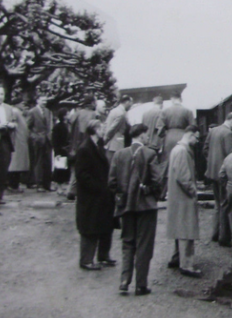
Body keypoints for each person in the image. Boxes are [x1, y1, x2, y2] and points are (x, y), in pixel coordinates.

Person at [109, 124, 162, 296]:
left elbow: (111, 183)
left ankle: (124, 281)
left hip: (125, 206)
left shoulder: (119, 154)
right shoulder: (150, 154)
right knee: (144, 245)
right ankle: (140, 285)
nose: (148, 137)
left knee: (127, 243)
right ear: (141, 136)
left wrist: (121, 195)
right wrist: (151, 193)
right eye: (147, 134)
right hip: (145, 206)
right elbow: (157, 181)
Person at [75, 120, 116, 271]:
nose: (104, 129)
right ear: (95, 129)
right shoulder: (85, 149)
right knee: (90, 228)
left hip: (101, 195)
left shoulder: (97, 146)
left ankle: (103, 256)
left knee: (104, 225)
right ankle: (86, 260)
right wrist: (99, 188)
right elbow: (82, 174)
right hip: (91, 196)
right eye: (102, 127)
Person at [166, 125, 203, 277]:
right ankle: (186, 265)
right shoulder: (182, 151)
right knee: (186, 230)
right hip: (183, 197)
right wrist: (193, 191)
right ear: (191, 135)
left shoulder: (177, 149)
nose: (198, 141)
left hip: (177, 196)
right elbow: (183, 177)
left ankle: (176, 257)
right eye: (197, 137)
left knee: (179, 228)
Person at [203, 112, 232, 245]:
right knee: (225, 205)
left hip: (212, 173)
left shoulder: (214, 131)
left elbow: (205, 149)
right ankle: (224, 238)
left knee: (218, 205)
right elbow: (231, 157)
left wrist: (212, 162)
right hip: (222, 175)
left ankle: (215, 234)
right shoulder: (228, 134)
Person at [66, 94, 99, 200]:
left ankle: (71, 189)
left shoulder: (77, 113)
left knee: (75, 168)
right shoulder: (94, 115)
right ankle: (76, 190)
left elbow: (70, 123)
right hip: (87, 144)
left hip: (76, 144)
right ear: (92, 103)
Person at [156, 92, 194, 163]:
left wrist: (164, 135)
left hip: (169, 138)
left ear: (172, 99)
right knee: (184, 160)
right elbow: (193, 127)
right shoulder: (188, 111)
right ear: (180, 99)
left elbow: (160, 128)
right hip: (183, 137)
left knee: (169, 160)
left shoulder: (165, 111)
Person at [27, 95, 54, 192]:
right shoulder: (32, 112)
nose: (44, 102)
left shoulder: (48, 112)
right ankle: (39, 184)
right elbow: (28, 127)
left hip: (47, 140)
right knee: (39, 162)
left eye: (46, 100)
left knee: (48, 162)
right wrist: (34, 136)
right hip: (37, 140)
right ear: (37, 100)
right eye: (42, 100)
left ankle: (47, 184)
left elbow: (50, 126)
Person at [7, 98, 30, 193]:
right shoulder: (15, 111)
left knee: (17, 164)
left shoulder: (19, 112)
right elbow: (11, 123)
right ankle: (13, 185)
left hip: (20, 141)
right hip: (17, 142)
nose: (23, 105)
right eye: (22, 103)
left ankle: (14, 185)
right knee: (15, 164)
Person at [104, 95, 133, 163]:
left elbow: (107, 124)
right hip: (116, 144)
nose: (131, 105)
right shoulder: (121, 113)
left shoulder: (115, 110)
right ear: (127, 102)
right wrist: (106, 139)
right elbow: (113, 128)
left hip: (111, 143)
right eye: (131, 103)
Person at [51, 108, 71, 186]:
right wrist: (57, 152)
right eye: (68, 114)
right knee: (60, 168)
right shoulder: (58, 127)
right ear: (64, 116)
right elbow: (55, 141)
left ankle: (63, 186)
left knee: (66, 169)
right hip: (61, 150)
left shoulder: (69, 125)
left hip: (67, 150)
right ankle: (59, 186)